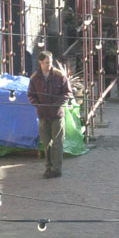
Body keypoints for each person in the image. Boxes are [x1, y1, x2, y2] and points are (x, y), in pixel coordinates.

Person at [27, 51, 72, 179]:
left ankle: (56, 169)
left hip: (56, 115)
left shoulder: (59, 75)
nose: (49, 65)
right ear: (40, 63)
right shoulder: (34, 78)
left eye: (50, 62)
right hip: (42, 115)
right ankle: (48, 167)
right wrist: (38, 105)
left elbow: (67, 92)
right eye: (47, 63)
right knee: (46, 144)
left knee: (57, 144)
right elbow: (30, 95)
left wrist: (56, 104)